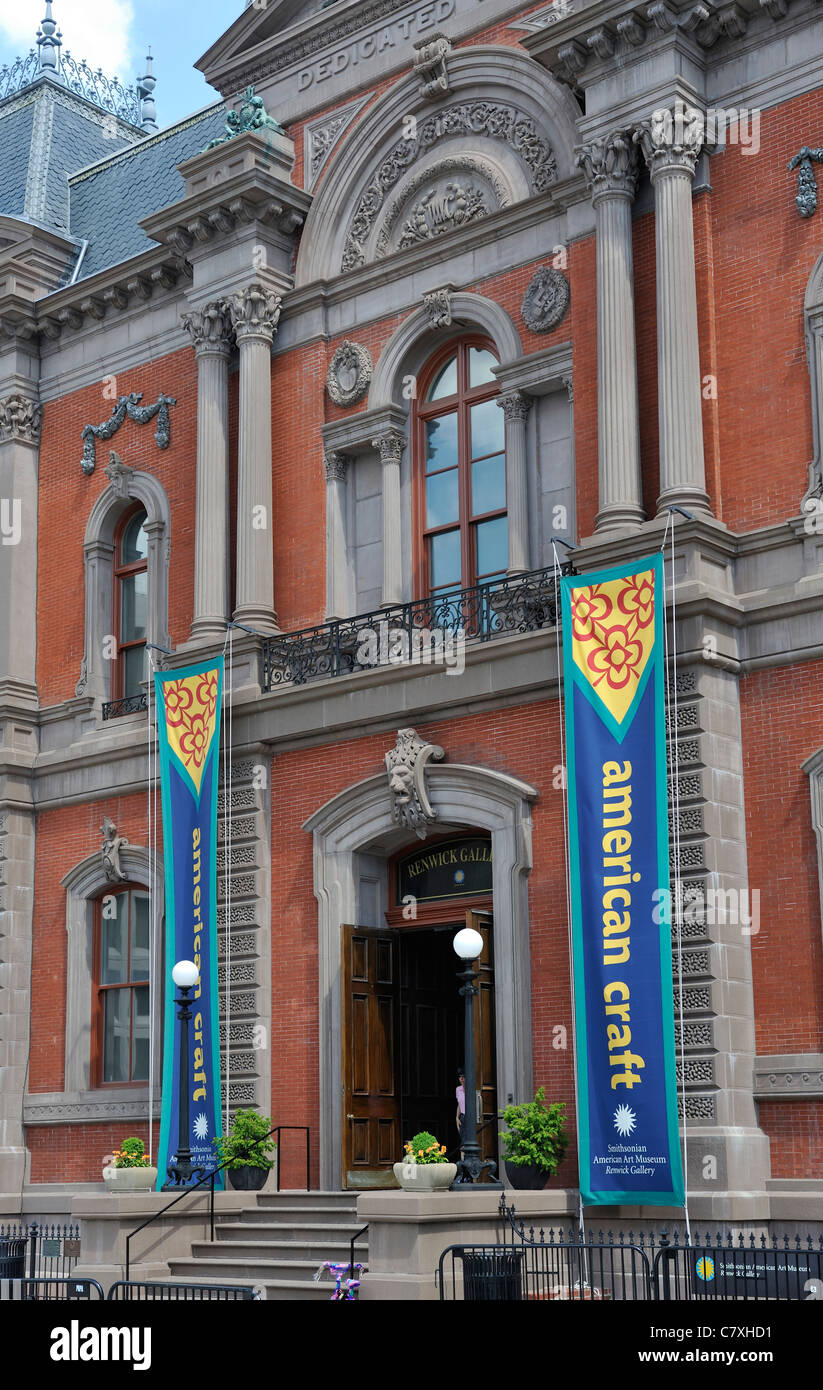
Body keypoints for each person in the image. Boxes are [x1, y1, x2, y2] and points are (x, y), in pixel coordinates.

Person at [455, 1068, 466, 1136]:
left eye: (463, 1077)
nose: (461, 1079)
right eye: (460, 1077)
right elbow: (459, 1104)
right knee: (462, 1136)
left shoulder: (471, 1089)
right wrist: (457, 1117)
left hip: (470, 1116)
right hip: (462, 1116)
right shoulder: (458, 1089)